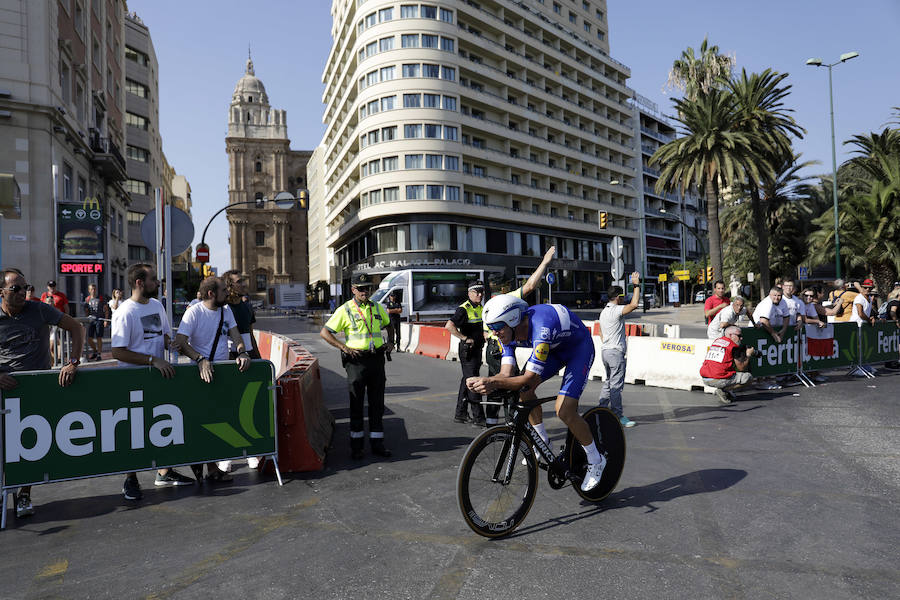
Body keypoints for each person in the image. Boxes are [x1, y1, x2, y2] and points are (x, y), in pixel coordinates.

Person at [466, 294, 607, 493]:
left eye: (497, 328)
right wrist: (486, 382)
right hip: (554, 350)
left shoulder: (542, 327)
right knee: (524, 391)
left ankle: (596, 459)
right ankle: (542, 441)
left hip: (578, 349)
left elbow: (529, 378)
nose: (494, 333)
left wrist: (494, 382)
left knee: (564, 410)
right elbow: (506, 373)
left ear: (513, 320)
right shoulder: (507, 333)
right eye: (491, 328)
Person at [1, 267, 84, 518]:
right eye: (15, 288)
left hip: (36, 387)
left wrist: (73, 362)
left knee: (29, 444)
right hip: (6, 389)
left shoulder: (38, 309)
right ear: (1, 291)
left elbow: (76, 327)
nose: (22, 293)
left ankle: (24, 495)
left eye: (25, 288)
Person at [111, 263, 196, 500]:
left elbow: (165, 335)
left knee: (163, 425)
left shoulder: (157, 305)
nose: (157, 283)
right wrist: (152, 360)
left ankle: (164, 472)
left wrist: (172, 344)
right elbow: (117, 351)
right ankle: (130, 479)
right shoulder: (124, 312)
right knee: (134, 430)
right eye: (153, 280)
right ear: (139, 283)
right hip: (134, 381)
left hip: (160, 378)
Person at [175, 275, 252, 480]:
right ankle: (203, 464)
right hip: (199, 374)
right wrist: (200, 359)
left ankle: (211, 468)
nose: (227, 294)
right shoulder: (194, 313)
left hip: (221, 374)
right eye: (223, 291)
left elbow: (236, 336)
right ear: (211, 294)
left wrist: (242, 352)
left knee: (218, 420)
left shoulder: (226, 311)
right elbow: (180, 341)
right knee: (202, 421)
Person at [320, 273, 393, 460]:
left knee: (377, 405)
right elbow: (325, 332)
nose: (365, 291)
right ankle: (357, 447)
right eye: (361, 289)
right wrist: (343, 347)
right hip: (356, 362)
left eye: (368, 288)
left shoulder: (377, 307)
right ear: (353, 289)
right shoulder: (345, 310)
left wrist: (391, 342)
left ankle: (378, 444)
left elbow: (389, 325)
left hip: (376, 360)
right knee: (357, 405)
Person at [481, 246, 556, 425]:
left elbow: (486, 333)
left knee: (494, 384)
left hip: (493, 347)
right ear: (504, 287)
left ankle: (491, 425)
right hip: (504, 344)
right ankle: (512, 425)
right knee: (513, 385)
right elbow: (530, 285)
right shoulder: (507, 302)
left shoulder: (489, 306)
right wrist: (544, 262)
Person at [597, 272, 641, 428]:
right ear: (617, 297)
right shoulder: (616, 310)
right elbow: (634, 304)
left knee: (608, 383)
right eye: (621, 297)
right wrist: (636, 284)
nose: (623, 299)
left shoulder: (603, 312)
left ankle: (601, 411)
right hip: (615, 353)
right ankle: (617, 415)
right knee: (616, 386)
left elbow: (601, 333)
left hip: (605, 351)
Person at [446, 279, 487, 426]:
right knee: (473, 382)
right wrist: (464, 338)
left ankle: (460, 413)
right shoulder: (464, 308)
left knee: (466, 380)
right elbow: (449, 326)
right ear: (470, 293)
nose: (480, 294)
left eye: (482, 291)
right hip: (468, 351)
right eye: (477, 292)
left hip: (477, 349)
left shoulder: (480, 307)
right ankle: (479, 418)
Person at [699, 325, 757, 404]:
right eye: (739, 336)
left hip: (705, 377)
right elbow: (741, 368)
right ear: (730, 335)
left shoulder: (717, 341)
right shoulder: (733, 346)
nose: (741, 338)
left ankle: (725, 388)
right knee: (748, 377)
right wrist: (748, 354)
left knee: (729, 370)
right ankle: (724, 390)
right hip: (717, 378)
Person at [751, 286, 787, 390]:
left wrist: (784, 330)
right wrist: (774, 334)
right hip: (758, 332)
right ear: (770, 295)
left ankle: (768, 380)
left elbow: (786, 317)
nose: (777, 298)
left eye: (779, 295)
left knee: (769, 356)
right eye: (774, 295)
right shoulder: (767, 304)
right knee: (760, 356)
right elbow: (763, 321)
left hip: (769, 330)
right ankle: (760, 381)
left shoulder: (783, 302)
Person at [83, 283, 110, 361]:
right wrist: (86, 319)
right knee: (89, 338)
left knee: (99, 337)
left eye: (94, 289)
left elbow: (106, 310)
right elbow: (86, 311)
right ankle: (95, 351)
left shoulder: (101, 298)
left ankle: (99, 354)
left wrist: (105, 320)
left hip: (99, 319)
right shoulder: (87, 299)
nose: (93, 291)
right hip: (91, 320)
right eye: (91, 289)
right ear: (89, 290)